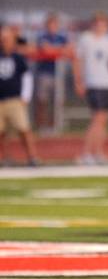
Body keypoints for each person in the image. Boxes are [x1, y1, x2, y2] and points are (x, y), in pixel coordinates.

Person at [73, 11, 108, 164]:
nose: (101, 27)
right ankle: (86, 153)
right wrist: (79, 81)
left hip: (107, 83)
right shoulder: (85, 39)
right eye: (99, 23)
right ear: (93, 25)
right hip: (93, 83)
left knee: (103, 120)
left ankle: (98, 152)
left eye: (104, 24)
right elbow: (77, 60)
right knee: (97, 118)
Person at [0, 24, 38, 166]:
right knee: (1, 132)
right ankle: (5, 158)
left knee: (24, 129)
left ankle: (32, 157)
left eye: (7, 38)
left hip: (14, 99)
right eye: (3, 39)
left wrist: (25, 96)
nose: (4, 41)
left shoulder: (18, 58)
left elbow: (27, 77)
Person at [35, 12, 72, 131]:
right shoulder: (42, 36)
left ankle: (54, 125)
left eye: (55, 24)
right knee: (42, 100)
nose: (53, 26)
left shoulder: (62, 37)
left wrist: (56, 50)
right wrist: (60, 50)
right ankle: (41, 126)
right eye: (50, 24)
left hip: (58, 75)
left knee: (57, 101)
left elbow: (70, 49)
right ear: (47, 25)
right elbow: (46, 50)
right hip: (45, 73)